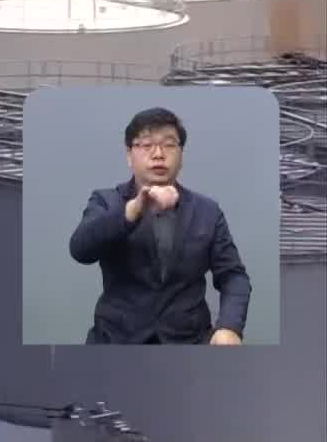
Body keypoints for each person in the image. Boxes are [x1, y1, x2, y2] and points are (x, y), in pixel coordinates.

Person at [67, 107, 250, 345]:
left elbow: (233, 276)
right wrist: (133, 210)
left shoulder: (207, 211)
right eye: (146, 145)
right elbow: (81, 249)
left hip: (189, 343)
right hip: (117, 341)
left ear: (181, 155)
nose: (158, 154)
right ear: (129, 155)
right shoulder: (106, 201)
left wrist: (229, 326)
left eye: (169, 144)